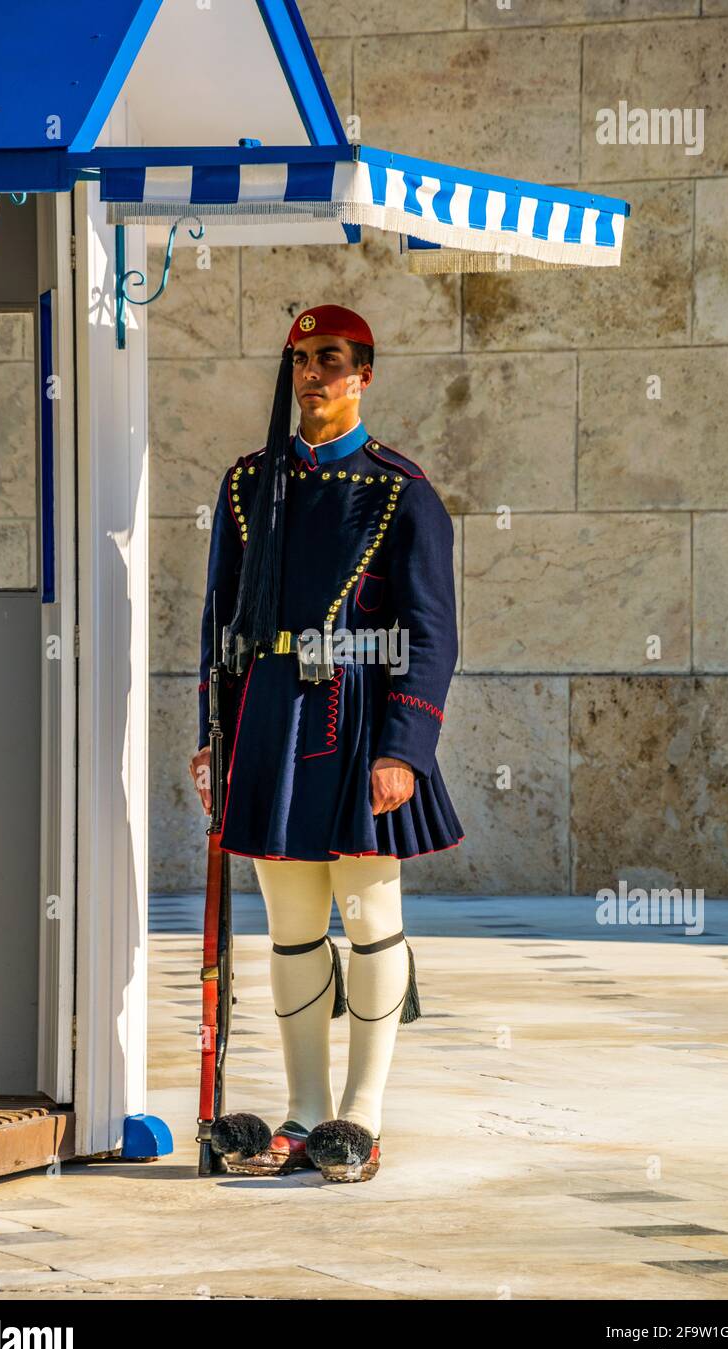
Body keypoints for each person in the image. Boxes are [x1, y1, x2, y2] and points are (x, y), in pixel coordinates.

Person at [189, 304, 463, 1181]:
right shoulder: (248, 485)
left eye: (331, 360)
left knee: (371, 920)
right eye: (302, 359)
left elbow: (431, 631)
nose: (313, 374)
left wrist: (404, 747)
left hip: (356, 721)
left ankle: (363, 1117)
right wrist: (212, 736)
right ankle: (306, 1114)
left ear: (364, 376)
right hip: (271, 717)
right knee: (293, 928)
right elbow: (219, 625)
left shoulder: (401, 490)